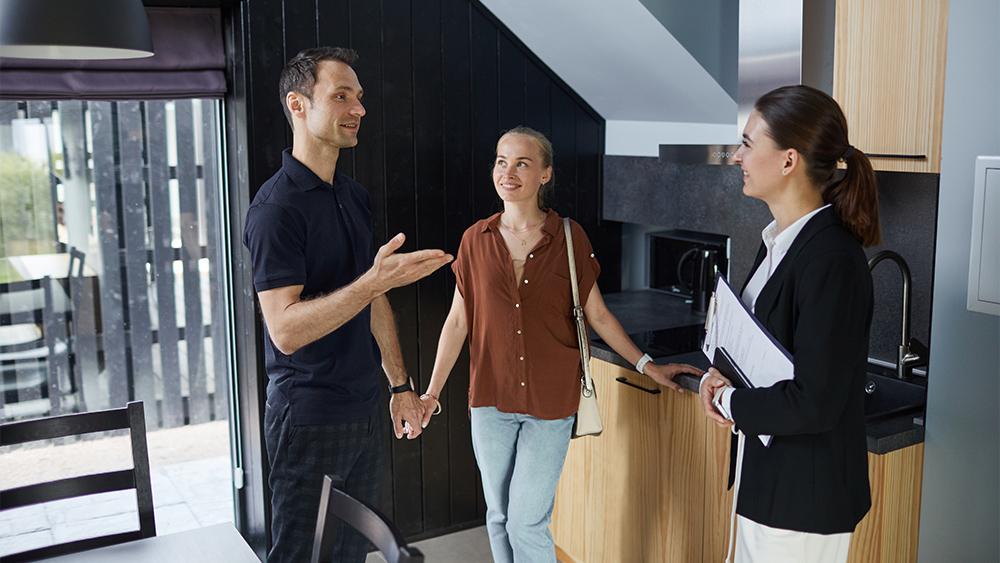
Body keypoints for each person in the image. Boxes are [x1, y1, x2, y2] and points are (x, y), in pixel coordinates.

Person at [419, 126, 703, 563]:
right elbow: (458, 322)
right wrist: (431, 393)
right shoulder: (475, 239)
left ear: (545, 174)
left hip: (551, 404)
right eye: (501, 161)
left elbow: (600, 316)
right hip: (489, 402)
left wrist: (648, 365)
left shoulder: (570, 238)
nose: (507, 172)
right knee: (498, 516)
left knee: (526, 522)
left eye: (522, 163)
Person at [242, 47, 452, 563]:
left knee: (354, 553)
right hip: (309, 415)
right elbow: (285, 331)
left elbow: (373, 297)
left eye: (358, 97)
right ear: (297, 104)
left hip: (363, 408)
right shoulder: (274, 211)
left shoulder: (352, 195)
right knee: (299, 555)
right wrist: (371, 281)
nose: (358, 108)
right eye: (341, 96)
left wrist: (400, 386)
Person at [699, 84, 879, 563]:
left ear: (788, 160)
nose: (738, 156)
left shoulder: (832, 259)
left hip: (805, 496)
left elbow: (814, 403)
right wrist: (721, 379)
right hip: (766, 477)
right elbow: (768, 351)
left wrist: (730, 400)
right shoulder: (778, 242)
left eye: (748, 144)